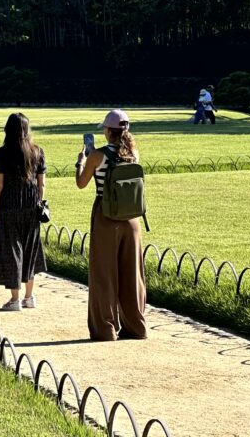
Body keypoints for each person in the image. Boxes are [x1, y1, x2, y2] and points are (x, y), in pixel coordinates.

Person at [75, 108, 147, 341]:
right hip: (132, 218)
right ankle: (136, 326)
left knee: (104, 274)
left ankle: (105, 329)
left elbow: (81, 183)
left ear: (108, 131)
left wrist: (81, 162)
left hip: (106, 217)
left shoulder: (98, 154)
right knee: (132, 274)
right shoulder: (133, 153)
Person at [0, 112, 47, 310]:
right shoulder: (37, 152)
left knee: (12, 249)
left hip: (9, 205)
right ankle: (29, 297)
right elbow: (41, 184)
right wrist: (39, 202)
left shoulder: (3, 153)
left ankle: (15, 299)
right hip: (31, 206)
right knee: (30, 249)